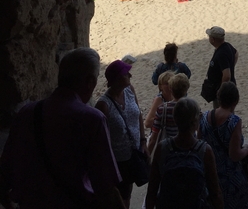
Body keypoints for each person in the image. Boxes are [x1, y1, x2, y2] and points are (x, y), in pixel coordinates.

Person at [0, 48, 124, 209]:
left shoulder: (27, 113)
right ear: (90, 82)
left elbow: (4, 174)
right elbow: (106, 186)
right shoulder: (92, 119)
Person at [145, 98, 223, 209]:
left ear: (175, 119)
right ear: (196, 121)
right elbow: (215, 193)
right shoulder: (204, 150)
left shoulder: (163, 147)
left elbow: (152, 190)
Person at [96, 60, 147, 208]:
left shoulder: (130, 90)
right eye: (126, 73)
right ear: (118, 78)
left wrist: (143, 142)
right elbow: (100, 139)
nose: (130, 75)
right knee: (118, 197)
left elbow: (138, 115)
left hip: (133, 153)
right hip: (117, 161)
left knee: (127, 193)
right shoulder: (104, 105)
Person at [198, 82, 248, 209]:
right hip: (230, 179)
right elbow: (234, 155)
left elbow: (199, 144)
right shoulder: (234, 121)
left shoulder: (205, 117)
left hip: (210, 175)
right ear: (236, 101)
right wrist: (247, 149)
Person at [147, 73, 190, 154]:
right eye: (166, 83)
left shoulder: (163, 109)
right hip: (184, 148)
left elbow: (153, 138)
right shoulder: (191, 107)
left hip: (169, 148)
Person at [205, 27, 238, 108]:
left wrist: (221, 90)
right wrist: (231, 66)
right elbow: (236, 53)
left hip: (224, 93)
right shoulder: (227, 46)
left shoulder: (221, 54)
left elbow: (227, 76)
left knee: (221, 113)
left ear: (213, 39)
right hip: (229, 87)